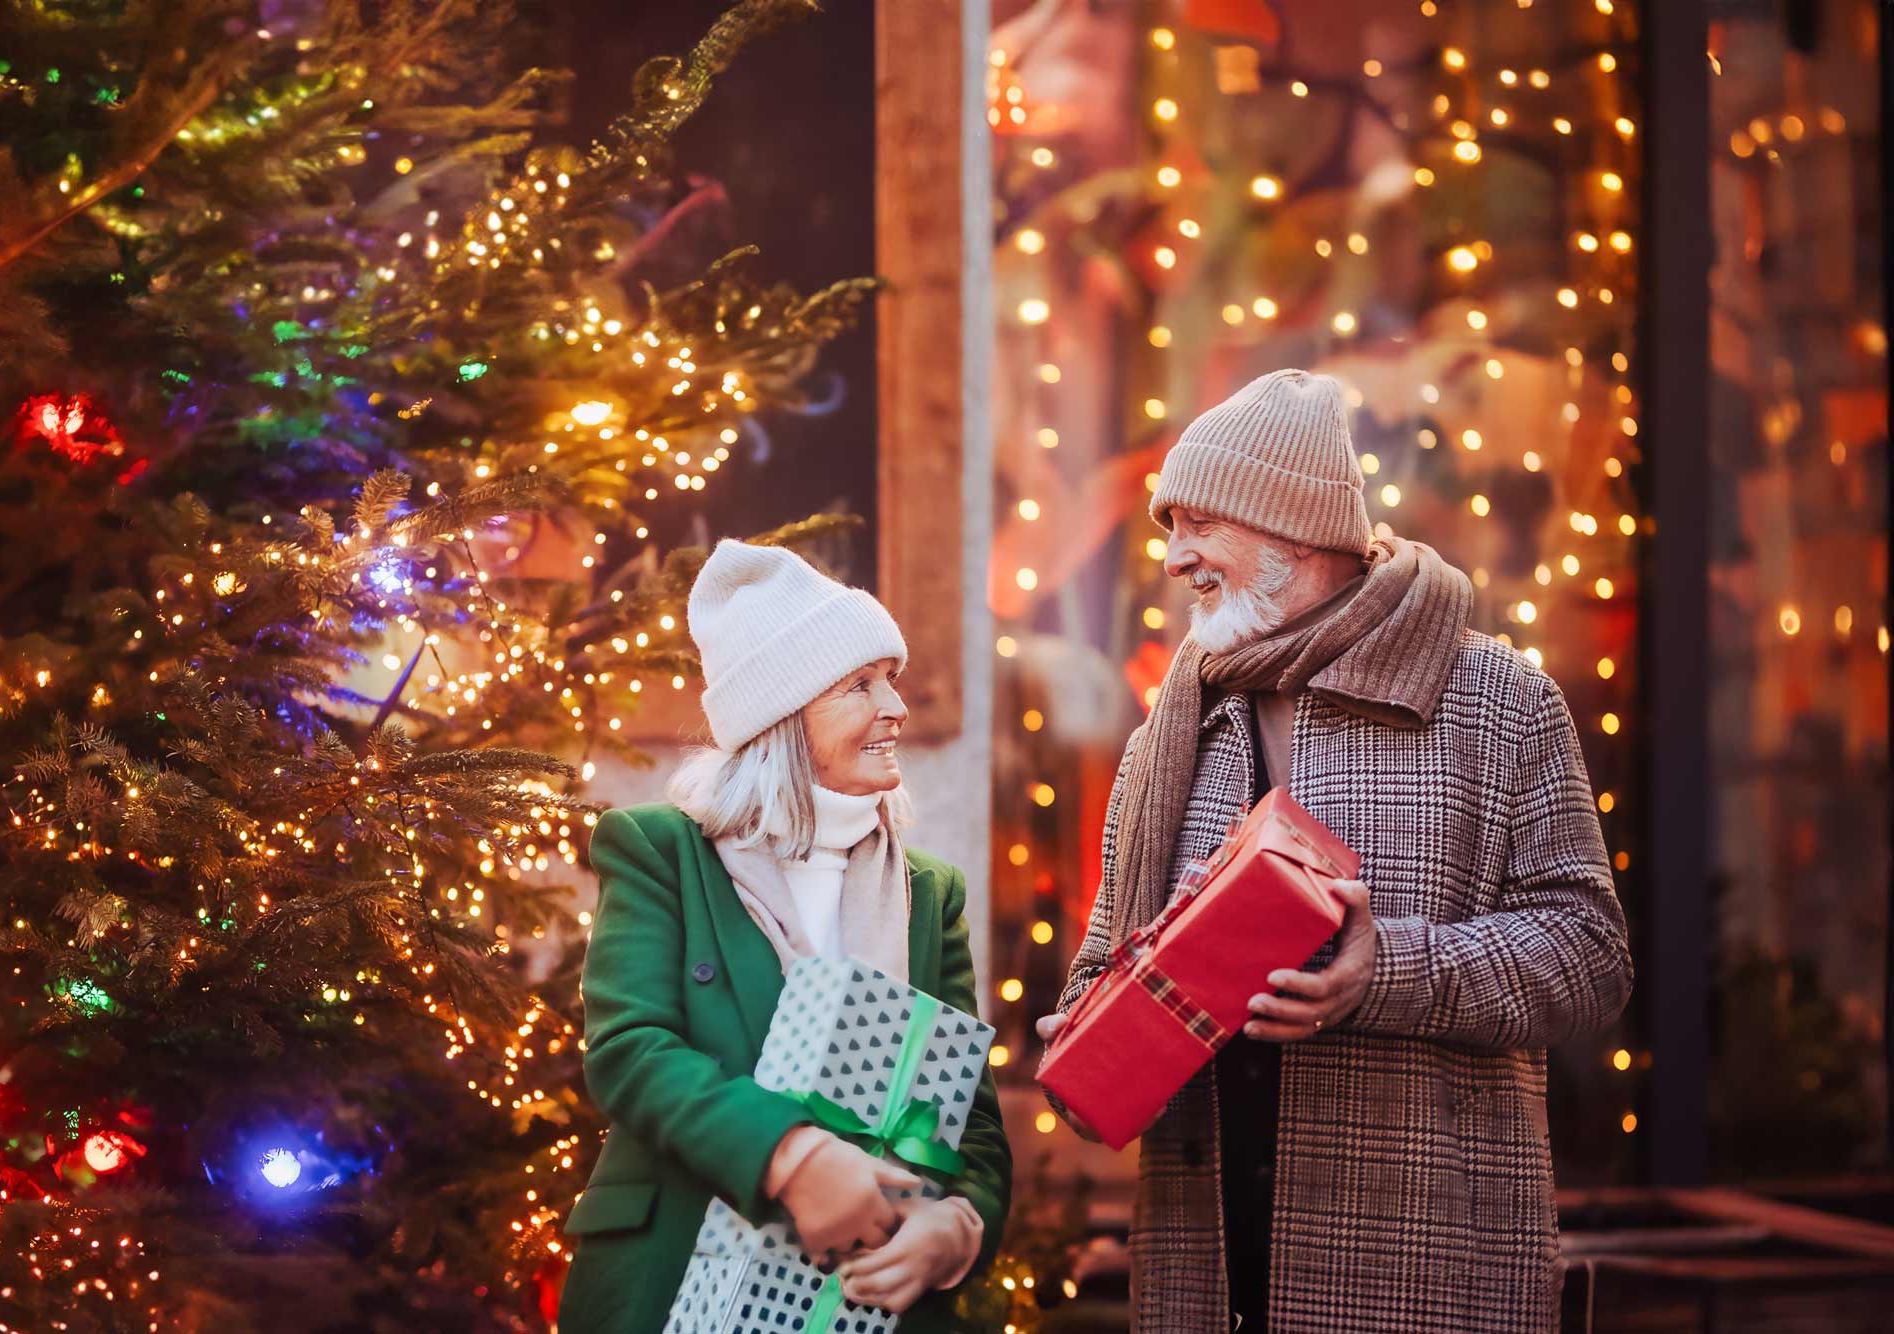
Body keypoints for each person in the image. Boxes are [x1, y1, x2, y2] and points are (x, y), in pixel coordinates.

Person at [1035, 369, 1634, 1333]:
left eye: (1198, 522)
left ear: (1291, 527)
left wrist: (1386, 969)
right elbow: (1109, 954)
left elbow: (1591, 959)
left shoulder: (1496, 702)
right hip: (1207, 1272)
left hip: (1425, 1270)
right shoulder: (1173, 727)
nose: (1174, 554)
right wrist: (1086, 1036)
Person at [557, 540, 1011, 1332]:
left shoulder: (926, 891)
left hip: (862, 1304)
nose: (896, 708)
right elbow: (630, 1052)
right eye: (859, 686)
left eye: (892, 680)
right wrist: (793, 1156)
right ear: (780, 716)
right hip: (675, 1283)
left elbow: (968, 1121)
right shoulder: (662, 850)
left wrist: (957, 1226)